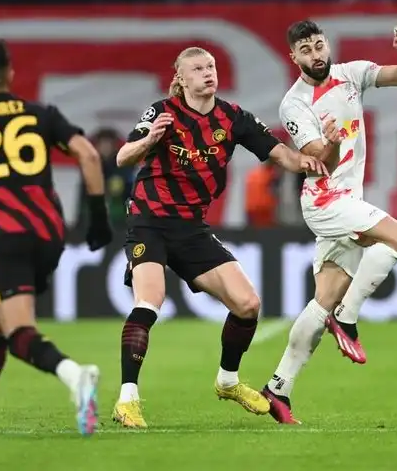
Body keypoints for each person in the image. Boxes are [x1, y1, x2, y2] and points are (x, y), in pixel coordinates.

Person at [111, 46, 328, 428]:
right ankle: (127, 399)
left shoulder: (233, 117)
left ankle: (227, 381)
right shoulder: (162, 112)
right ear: (181, 78)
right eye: (197, 68)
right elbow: (123, 157)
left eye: (210, 66)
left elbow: (280, 154)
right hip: (150, 221)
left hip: (192, 228)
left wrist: (308, 160)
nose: (207, 73)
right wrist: (149, 141)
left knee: (247, 304)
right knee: (149, 302)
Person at [0, 39, 113, 462]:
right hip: (49, 234)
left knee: (18, 334)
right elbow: (87, 154)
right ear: (10, 73)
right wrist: (99, 218)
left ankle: (75, 375)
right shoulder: (40, 114)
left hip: (5, 237)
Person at [263, 19, 397, 424]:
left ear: (327, 44)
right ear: (293, 57)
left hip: (350, 199)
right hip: (324, 200)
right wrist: (331, 141)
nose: (316, 54)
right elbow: (318, 160)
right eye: (306, 50)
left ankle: (278, 389)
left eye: (319, 45)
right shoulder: (294, 103)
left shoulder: (352, 74)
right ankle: (348, 318)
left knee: (321, 301)